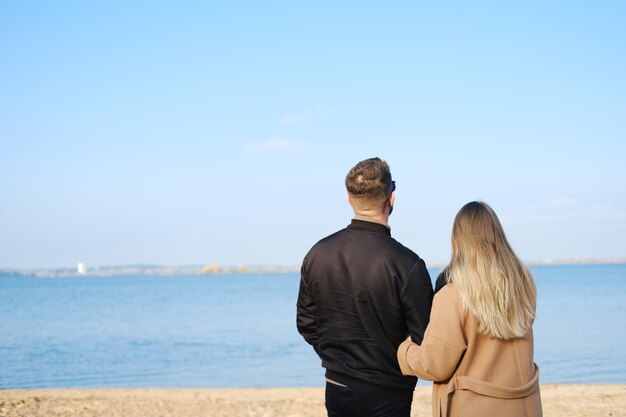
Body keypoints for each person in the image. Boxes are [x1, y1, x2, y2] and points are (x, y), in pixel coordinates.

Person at [297, 157, 434, 417]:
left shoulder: (317, 254)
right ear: (391, 199)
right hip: (387, 393)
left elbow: (306, 323)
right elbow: (425, 335)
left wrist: (339, 358)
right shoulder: (407, 263)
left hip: (338, 387)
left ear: (349, 200)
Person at [397, 201, 543, 417]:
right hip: (524, 407)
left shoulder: (453, 295)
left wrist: (404, 349)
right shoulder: (522, 285)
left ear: (457, 240)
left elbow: (434, 364)